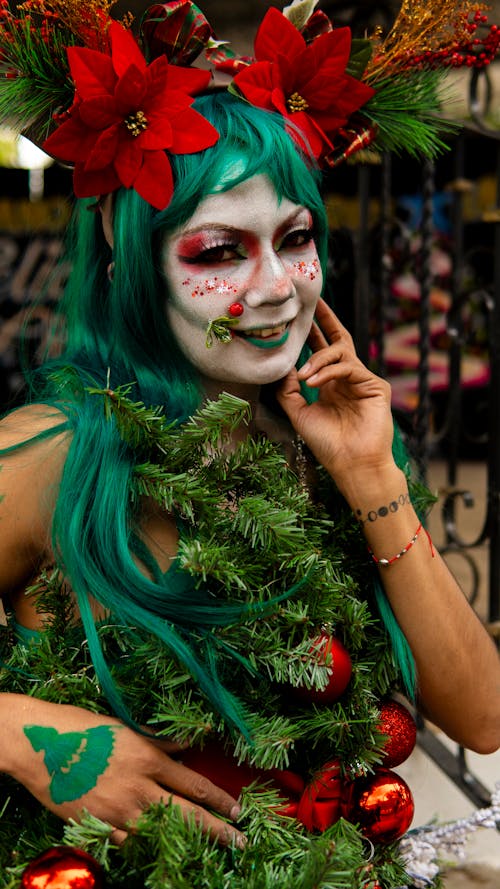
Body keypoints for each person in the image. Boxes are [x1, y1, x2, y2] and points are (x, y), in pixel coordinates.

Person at [0, 1, 499, 883]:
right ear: (133, 264)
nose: (274, 289)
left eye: (295, 239)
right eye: (219, 251)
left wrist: (368, 469)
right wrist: (33, 739)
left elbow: (485, 715)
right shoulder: (56, 451)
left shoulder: (329, 434)